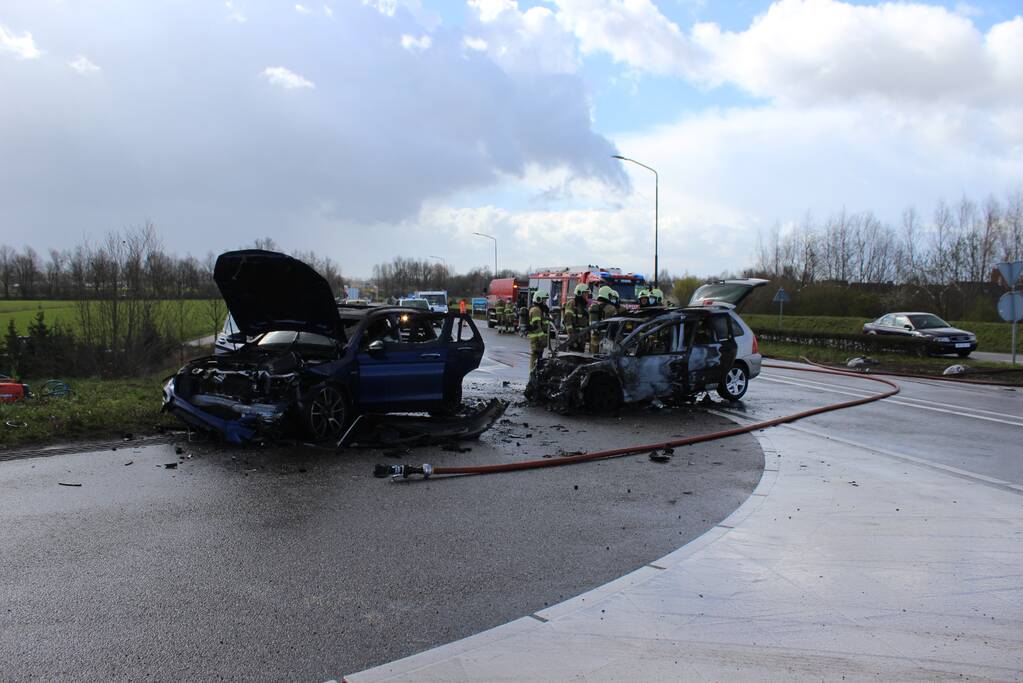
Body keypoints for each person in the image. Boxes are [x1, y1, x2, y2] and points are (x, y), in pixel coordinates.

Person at [528, 291, 552, 370]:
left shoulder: (539, 310)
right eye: (544, 300)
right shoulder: (536, 310)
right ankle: (533, 376)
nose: (545, 302)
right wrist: (542, 338)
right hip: (537, 339)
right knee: (535, 358)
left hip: (538, 339)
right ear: (539, 300)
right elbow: (536, 326)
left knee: (538, 358)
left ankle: (535, 374)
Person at [562, 283, 590, 351]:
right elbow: (567, 320)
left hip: (582, 336)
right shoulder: (572, 303)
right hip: (574, 335)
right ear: (579, 293)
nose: (587, 295)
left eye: (587, 293)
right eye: (585, 293)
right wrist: (571, 336)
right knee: (573, 356)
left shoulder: (583, 305)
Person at [588, 285, 614, 353]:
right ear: (607, 295)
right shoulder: (610, 308)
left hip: (594, 338)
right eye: (610, 296)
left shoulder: (594, 306)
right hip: (606, 339)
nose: (611, 298)